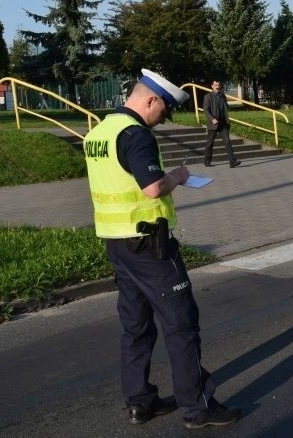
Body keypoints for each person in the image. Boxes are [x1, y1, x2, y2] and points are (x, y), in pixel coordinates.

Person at [83, 68, 242, 430]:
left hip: (117, 243)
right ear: (150, 100)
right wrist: (181, 177)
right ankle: (198, 408)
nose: (161, 120)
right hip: (151, 248)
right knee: (181, 324)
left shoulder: (100, 132)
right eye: (163, 111)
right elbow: (152, 187)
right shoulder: (135, 134)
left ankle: (140, 401)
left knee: (136, 325)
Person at [202, 80, 241, 168]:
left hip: (223, 122)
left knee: (227, 142)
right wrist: (212, 119)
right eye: (216, 85)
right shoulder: (208, 97)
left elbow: (225, 107)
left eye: (219, 85)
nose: (217, 87)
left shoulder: (222, 96)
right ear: (212, 86)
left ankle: (232, 161)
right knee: (210, 143)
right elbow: (206, 110)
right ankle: (207, 160)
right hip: (214, 123)